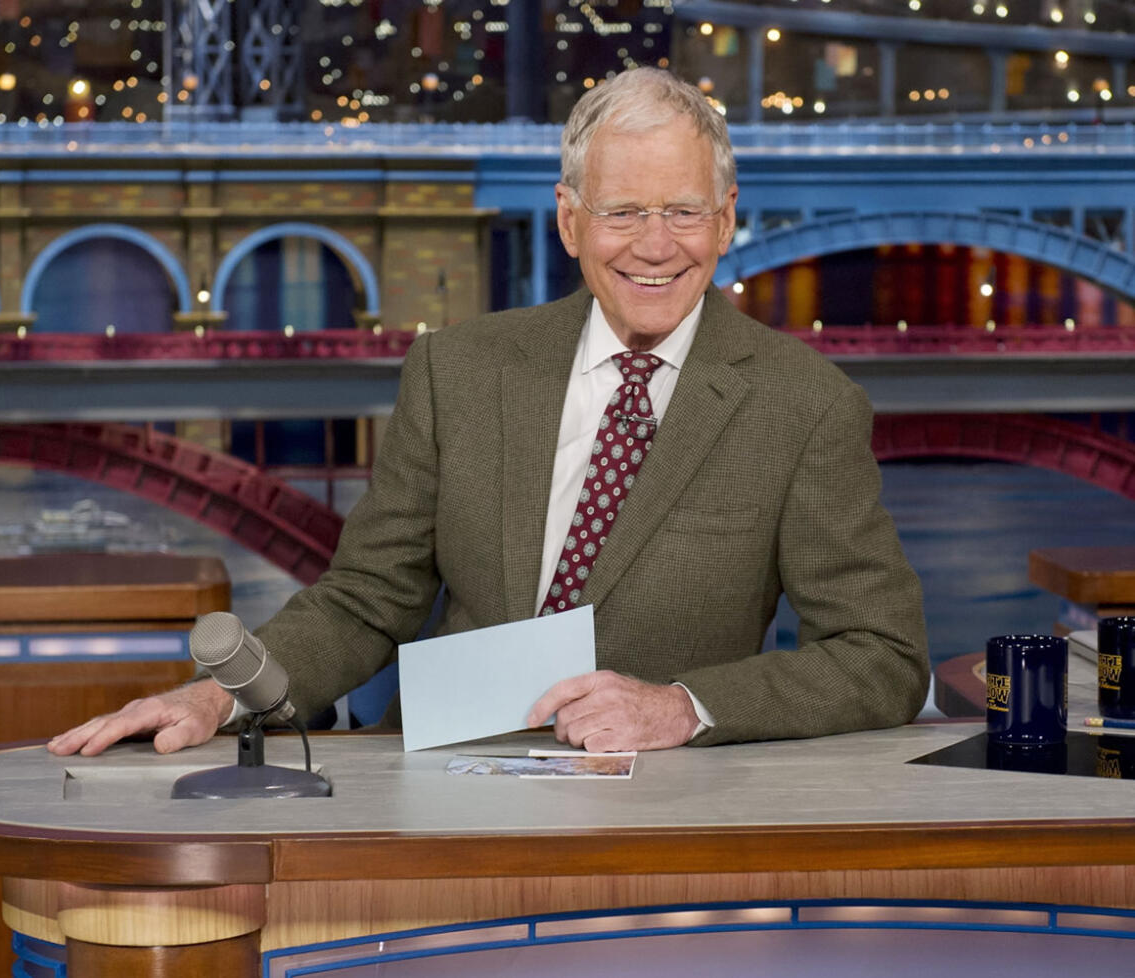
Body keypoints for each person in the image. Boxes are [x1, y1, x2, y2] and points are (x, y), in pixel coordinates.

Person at [49, 67, 928, 759]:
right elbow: (365, 601)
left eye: (685, 211)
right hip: (431, 779)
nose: (656, 245)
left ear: (727, 219)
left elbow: (882, 657)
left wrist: (683, 709)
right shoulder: (457, 371)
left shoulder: (803, 406)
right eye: (623, 212)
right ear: (570, 220)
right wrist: (221, 696)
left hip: (661, 804)